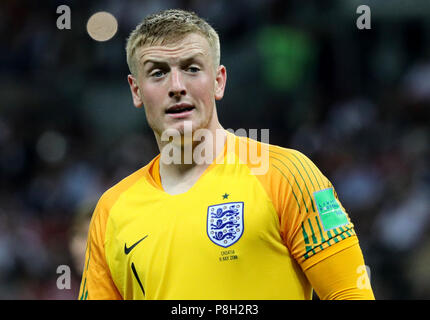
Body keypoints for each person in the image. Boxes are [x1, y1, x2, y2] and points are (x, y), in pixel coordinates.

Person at [78, 9, 375, 300]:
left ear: (219, 81)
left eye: (192, 69)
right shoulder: (111, 211)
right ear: (136, 91)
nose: (177, 87)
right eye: (158, 73)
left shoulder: (286, 174)